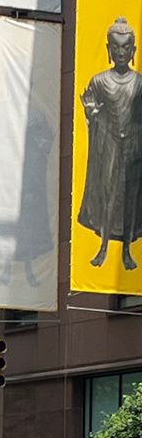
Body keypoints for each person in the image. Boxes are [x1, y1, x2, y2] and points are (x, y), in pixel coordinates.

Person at [78, 17, 142, 271]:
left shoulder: (140, 82)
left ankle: (127, 248)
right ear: (108, 49)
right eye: (116, 47)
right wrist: (91, 111)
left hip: (135, 147)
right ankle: (103, 246)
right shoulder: (99, 81)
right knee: (107, 195)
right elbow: (92, 111)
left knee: (131, 197)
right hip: (108, 145)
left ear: (134, 50)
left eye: (126, 47)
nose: (121, 52)